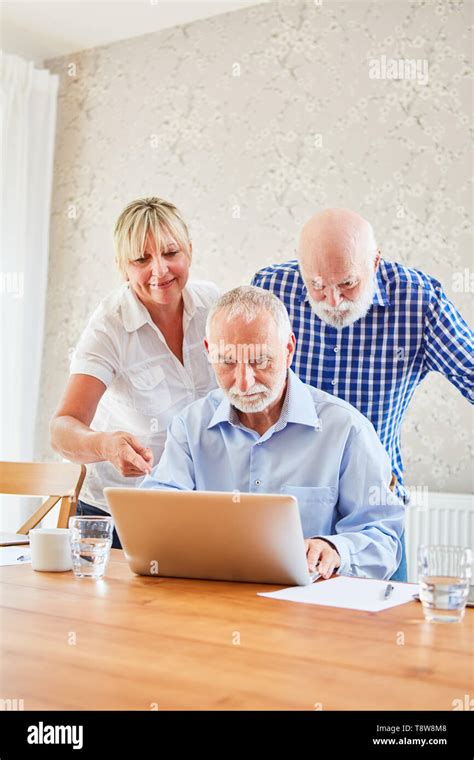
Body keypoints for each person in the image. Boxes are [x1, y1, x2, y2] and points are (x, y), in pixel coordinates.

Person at [251, 208, 474, 581]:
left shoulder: (419, 302)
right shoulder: (272, 289)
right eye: (317, 285)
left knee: (379, 635)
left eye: (348, 284)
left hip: (374, 516)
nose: (333, 301)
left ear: (375, 261)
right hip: (291, 512)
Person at [141, 286, 404, 581]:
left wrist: (335, 549)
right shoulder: (190, 426)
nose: (243, 381)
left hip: (307, 610)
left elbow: (383, 537)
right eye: (227, 361)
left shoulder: (346, 429)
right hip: (213, 601)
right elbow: (155, 514)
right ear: (208, 351)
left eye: (259, 360)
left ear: (288, 349)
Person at [51, 197, 219, 547]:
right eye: (141, 259)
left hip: (198, 505)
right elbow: (62, 429)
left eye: (171, 253)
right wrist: (105, 445)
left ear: (189, 251)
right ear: (122, 267)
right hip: (117, 515)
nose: (160, 270)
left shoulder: (214, 307)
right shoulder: (110, 325)